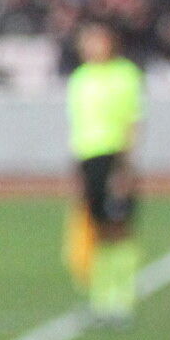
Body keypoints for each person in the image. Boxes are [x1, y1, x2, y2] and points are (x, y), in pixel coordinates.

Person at [66, 22, 145, 324]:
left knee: (119, 228)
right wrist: (76, 169)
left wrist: (125, 166)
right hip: (88, 159)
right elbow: (77, 126)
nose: (91, 47)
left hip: (114, 157)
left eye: (96, 40)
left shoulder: (124, 75)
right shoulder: (80, 79)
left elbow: (133, 121)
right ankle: (100, 300)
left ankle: (122, 298)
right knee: (96, 229)